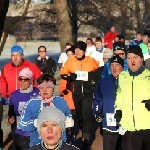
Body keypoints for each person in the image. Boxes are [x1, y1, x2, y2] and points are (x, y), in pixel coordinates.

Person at [61, 41, 98, 149]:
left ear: (84, 51)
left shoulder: (91, 61)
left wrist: (93, 84)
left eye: (80, 49)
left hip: (87, 93)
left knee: (86, 116)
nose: (77, 51)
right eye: (76, 49)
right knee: (80, 116)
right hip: (76, 93)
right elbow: (63, 74)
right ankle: (83, 131)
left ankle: (86, 139)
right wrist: (70, 77)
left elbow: (98, 73)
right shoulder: (70, 61)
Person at [19, 73, 74, 147]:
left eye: (48, 87)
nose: (45, 90)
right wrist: (35, 123)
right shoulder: (32, 103)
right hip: (38, 144)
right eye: (42, 88)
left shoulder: (61, 101)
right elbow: (22, 124)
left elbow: (68, 115)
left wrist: (68, 121)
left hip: (59, 144)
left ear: (53, 88)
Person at [115, 46, 150, 150]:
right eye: (129, 58)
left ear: (142, 59)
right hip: (128, 127)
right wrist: (118, 109)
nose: (132, 61)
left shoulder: (149, 76)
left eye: (135, 57)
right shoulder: (123, 76)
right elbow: (119, 94)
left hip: (147, 127)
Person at [93, 56, 124, 150]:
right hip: (108, 126)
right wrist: (97, 111)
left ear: (122, 67)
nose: (114, 68)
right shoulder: (103, 82)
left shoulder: (128, 81)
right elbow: (97, 99)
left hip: (125, 126)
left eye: (117, 65)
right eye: (112, 65)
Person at [8, 68, 39, 150]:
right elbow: (11, 112)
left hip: (34, 132)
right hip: (19, 132)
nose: (22, 82)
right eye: (20, 79)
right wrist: (11, 118)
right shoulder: (14, 95)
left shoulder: (38, 93)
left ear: (31, 80)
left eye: (25, 79)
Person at [59, 47, 76, 143]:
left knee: (75, 120)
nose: (70, 57)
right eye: (68, 55)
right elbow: (61, 88)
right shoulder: (64, 69)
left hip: (77, 99)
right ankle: (68, 137)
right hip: (67, 100)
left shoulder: (78, 68)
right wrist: (63, 90)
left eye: (71, 54)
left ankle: (73, 135)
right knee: (67, 120)